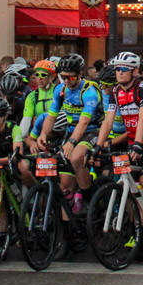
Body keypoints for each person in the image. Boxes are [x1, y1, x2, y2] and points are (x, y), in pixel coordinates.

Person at [31, 54, 102, 212]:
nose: (67, 82)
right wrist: (43, 134)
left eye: (71, 78)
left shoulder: (89, 91)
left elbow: (84, 121)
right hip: (71, 131)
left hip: (91, 130)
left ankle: (89, 200)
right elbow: (52, 116)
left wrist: (71, 142)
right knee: (65, 185)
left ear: (80, 74)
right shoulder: (60, 89)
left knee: (76, 157)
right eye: (64, 77)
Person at [98, 51, 143, 212]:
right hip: (134, 142)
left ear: (135, 71)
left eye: (124, 69)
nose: (120, 72)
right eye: (117, 68)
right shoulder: (115, 92)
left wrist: (138, 144)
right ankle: (140, 230)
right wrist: (98, 146)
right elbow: (108, 120)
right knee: (132, 189)